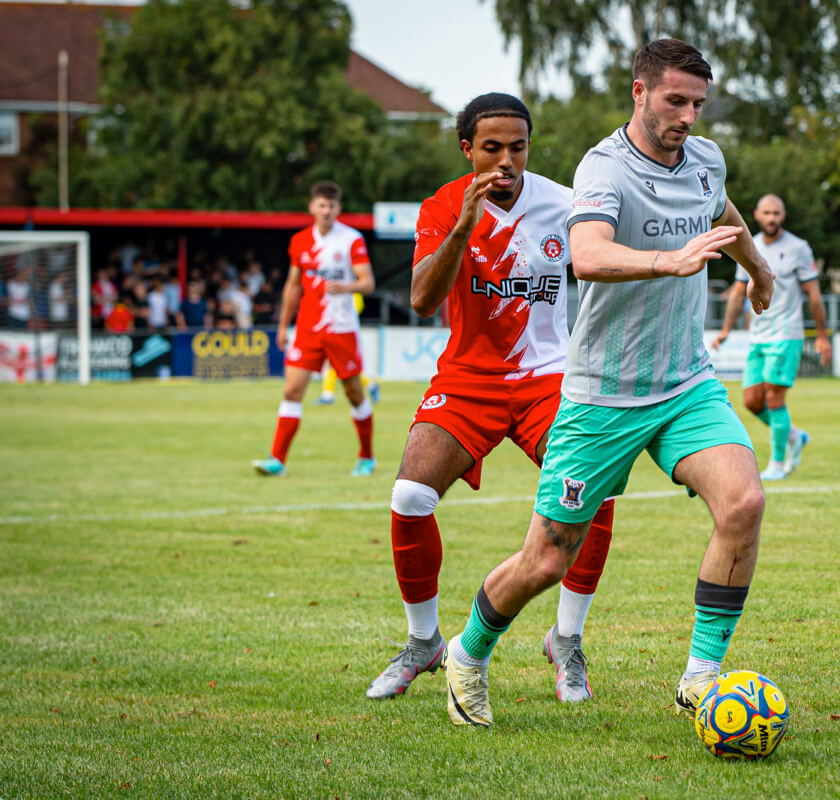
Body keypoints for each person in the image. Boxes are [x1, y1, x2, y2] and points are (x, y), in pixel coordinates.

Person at [440, 40, 775, 728]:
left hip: (685, 382)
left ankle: (702, 681)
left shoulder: (705, 157)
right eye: (675, 100)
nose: (687, 115)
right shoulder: (603, 167)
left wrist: (758, 268)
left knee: (742, 503)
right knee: (547, 558)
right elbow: (587, 255)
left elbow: (724, 213)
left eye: (697, 103)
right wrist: (667, 261)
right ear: (640, 93)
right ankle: (467, 654)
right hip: (603, 393)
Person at [366, 93, 617, 705]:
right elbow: (424, 299)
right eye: (492, 148)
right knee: (410, 494)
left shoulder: (565, 204)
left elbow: (606, 264)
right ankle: (423, 642)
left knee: (597, 492)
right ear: (467, 149)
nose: (506, 161)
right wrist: (462, 229)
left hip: (550, 379)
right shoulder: (444, 206)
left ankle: (566, 639)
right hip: (467, 379)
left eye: (518, 147)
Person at [252, 181, 377, 477]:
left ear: (338, 209)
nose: (326, 210)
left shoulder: (351, 240)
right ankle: (277, 460)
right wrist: (283, 325)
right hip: (308, 327)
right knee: (292, 389)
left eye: (332, 206)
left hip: (341, 326)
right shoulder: (300, 241)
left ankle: (366, 456)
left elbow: (368, 283)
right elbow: (293, 286)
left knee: (354, 393)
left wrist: (346, 286)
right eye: (321, 205)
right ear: (312, 207)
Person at [711, 193, 830, 480]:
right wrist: (727, 330)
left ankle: (777, 464)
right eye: (767, 213)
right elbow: (739, 292)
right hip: (758, 336)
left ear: (783, 216)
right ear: (756, 215)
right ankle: (794, 436)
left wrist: (822, 336)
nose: (772, 218)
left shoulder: (798, 248)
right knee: (752, 401)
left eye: (776, 213)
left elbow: (813, 295)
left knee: (775, 397)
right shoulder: (748, 245)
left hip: (787, 334)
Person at [315, 291, 378, 406]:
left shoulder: (352, 289)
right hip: (335, 329)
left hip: (345, 332)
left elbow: (354, 309)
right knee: (333, 362)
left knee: (348, 367)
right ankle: (327, 394)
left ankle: (370, 385)